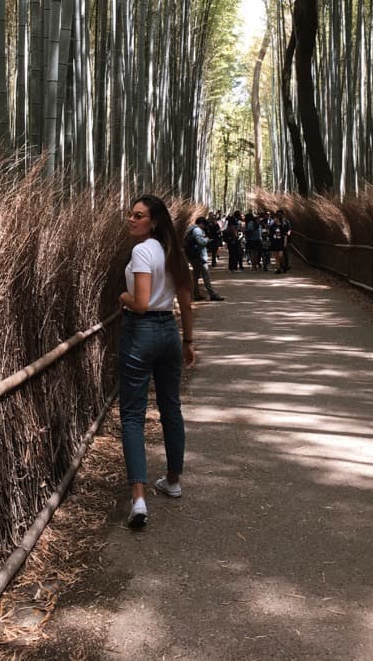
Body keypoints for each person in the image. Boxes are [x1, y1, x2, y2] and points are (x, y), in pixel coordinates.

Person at [118, 194, 196, 529]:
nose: (132, 220)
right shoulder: (173, 252)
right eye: (131, 215)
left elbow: (141, 302)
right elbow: (186, 301)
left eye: (139, 215)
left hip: (142, 331)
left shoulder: (142, 251)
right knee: (170, 407)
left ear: (154, 221)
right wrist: (189, 340)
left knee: (133, 415)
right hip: (169, 333)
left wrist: (122, 296)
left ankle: (139, 500)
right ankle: (173, 480)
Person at [184, 216, 224, 301]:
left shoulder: (191, 229)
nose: (205, 227)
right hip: (199, 256)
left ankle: (196, 294)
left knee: (196, 275)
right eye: (204, 225)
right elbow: (201, 242)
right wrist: (207, 240)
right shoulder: (197, 230)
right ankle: (212, 294)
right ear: (201, 223)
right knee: (206, 275)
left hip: (193, 256)